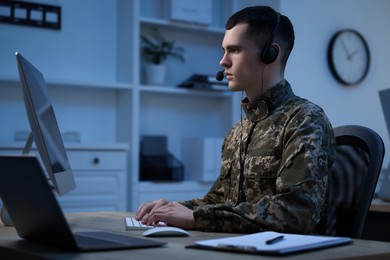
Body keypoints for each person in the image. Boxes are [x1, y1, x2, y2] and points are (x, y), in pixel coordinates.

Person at [135, 6, 336, 235]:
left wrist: (197, 218)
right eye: (224, 50)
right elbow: (219, 200)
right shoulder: (238, 131)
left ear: (270, 53)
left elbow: (297, 212)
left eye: (235, 50)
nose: (223, 61)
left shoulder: (305, 120)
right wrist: (171, 209)